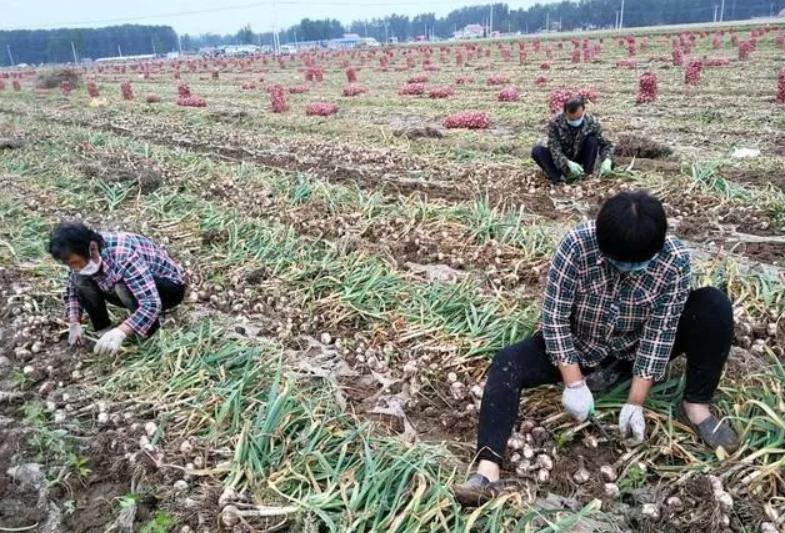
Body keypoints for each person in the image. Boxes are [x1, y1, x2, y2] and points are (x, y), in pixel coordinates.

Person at [453, 191, 738, 507]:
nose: (626, 270)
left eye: (637, 265)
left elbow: (660, 333)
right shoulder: (576, 245)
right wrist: (574, 382)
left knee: (713, 306)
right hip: (579, 348)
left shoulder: (674, 260)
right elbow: (555, 318)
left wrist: (636, 402)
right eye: (617, 262)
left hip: (631, 351)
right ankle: (487, 470)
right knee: (507, 362)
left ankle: (697, 407)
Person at [48, 222, 187, 356]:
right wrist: (74, 322)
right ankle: (103, 330)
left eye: (76, 263)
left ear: (92, 249)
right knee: (80, 280)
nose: (75, 268)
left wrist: (121, 331)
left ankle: (150, 332)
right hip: (134, 287)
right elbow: (72, 289)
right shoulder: (82, 252)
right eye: (70, 265)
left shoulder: (123, 255)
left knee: (122, 286)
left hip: (167, 290)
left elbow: (151, 303)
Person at [531, 97, 614, 184]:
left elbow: (606, 144)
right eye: (571, 119)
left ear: (584, 111)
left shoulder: (592, 122)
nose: (575, 121)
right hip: (562, 158)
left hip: (581, 155)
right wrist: (567, 163)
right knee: (537, 151)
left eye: (578, 118)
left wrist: (607, 160)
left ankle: (586, 175)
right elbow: (554, 148)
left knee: (592, 140)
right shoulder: (555, 123)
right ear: (565, 113)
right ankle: (559, 179)